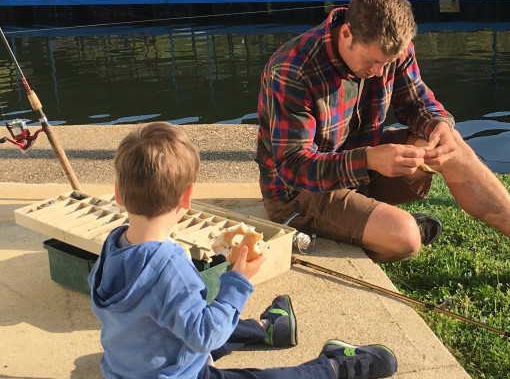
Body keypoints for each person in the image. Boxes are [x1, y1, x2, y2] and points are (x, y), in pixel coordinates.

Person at [256, 0, 510, 296]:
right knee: (405, 239)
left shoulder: (392, 49)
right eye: (373, 62)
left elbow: (417, 102)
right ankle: (379, 226)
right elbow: (292, 167)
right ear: (347, 33)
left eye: (388, 62)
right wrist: (368, 159)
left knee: (450, 143)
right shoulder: (292, 71)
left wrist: (439, 125)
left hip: (359, 169)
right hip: (298, 195)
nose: (380, 72)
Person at [89, 122, 398, 379]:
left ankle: (267, 328)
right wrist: (239, 281)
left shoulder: (113, 244)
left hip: (125, 369)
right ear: (187, 199)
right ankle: (332, 366)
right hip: (178, 373)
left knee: (189, 319)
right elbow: (206, 335)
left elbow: (147, 309)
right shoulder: (170, 267)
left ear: (118, 193)